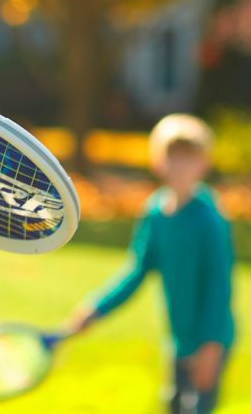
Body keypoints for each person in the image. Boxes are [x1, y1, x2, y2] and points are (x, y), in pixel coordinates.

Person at [64, 113, 235, 414]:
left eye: (189, 157)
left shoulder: (210, 219)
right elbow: (137, 270)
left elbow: (219, 286)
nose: (180, 165)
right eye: (173, 156)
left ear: (204, 164)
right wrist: (96, 308)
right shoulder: (155, 212)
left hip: (211, 339)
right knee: (173, 405)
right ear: (158, 161)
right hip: (179, 338)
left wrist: (211, 346)